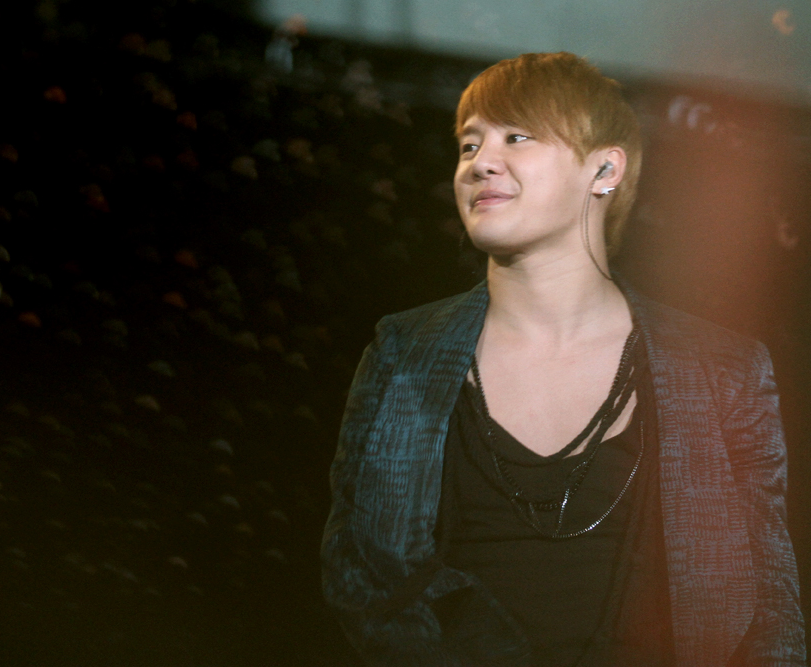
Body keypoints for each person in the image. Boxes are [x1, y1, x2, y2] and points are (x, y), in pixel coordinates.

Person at [321, 52, 805, 667]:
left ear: (604, 168)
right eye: (469, 144)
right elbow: (361, 570)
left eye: (517, 137)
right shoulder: (404, 353)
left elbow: (765, 608)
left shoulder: (723, 371)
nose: (480, 162)